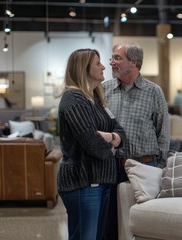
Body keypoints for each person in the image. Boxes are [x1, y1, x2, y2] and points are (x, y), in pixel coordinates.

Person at [102, 43, 170, 239]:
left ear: (134, 62)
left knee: (144, 224)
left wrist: (160, 168)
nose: (111, 62)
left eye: (117, 58)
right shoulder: (104, 90)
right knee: (110, 225)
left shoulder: (153, 92)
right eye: (112, 57)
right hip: (112, 168)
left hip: (146, 167)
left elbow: (163, 132)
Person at [56, 48, 126, 240]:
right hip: (83, 183)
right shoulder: (74, 99)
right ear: (83, 69)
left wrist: (110, 137)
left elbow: (120, 132)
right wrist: (113, 142)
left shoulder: (96, 99)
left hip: (102, 181)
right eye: (98, 63)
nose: (104, 67)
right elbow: (92, 143)